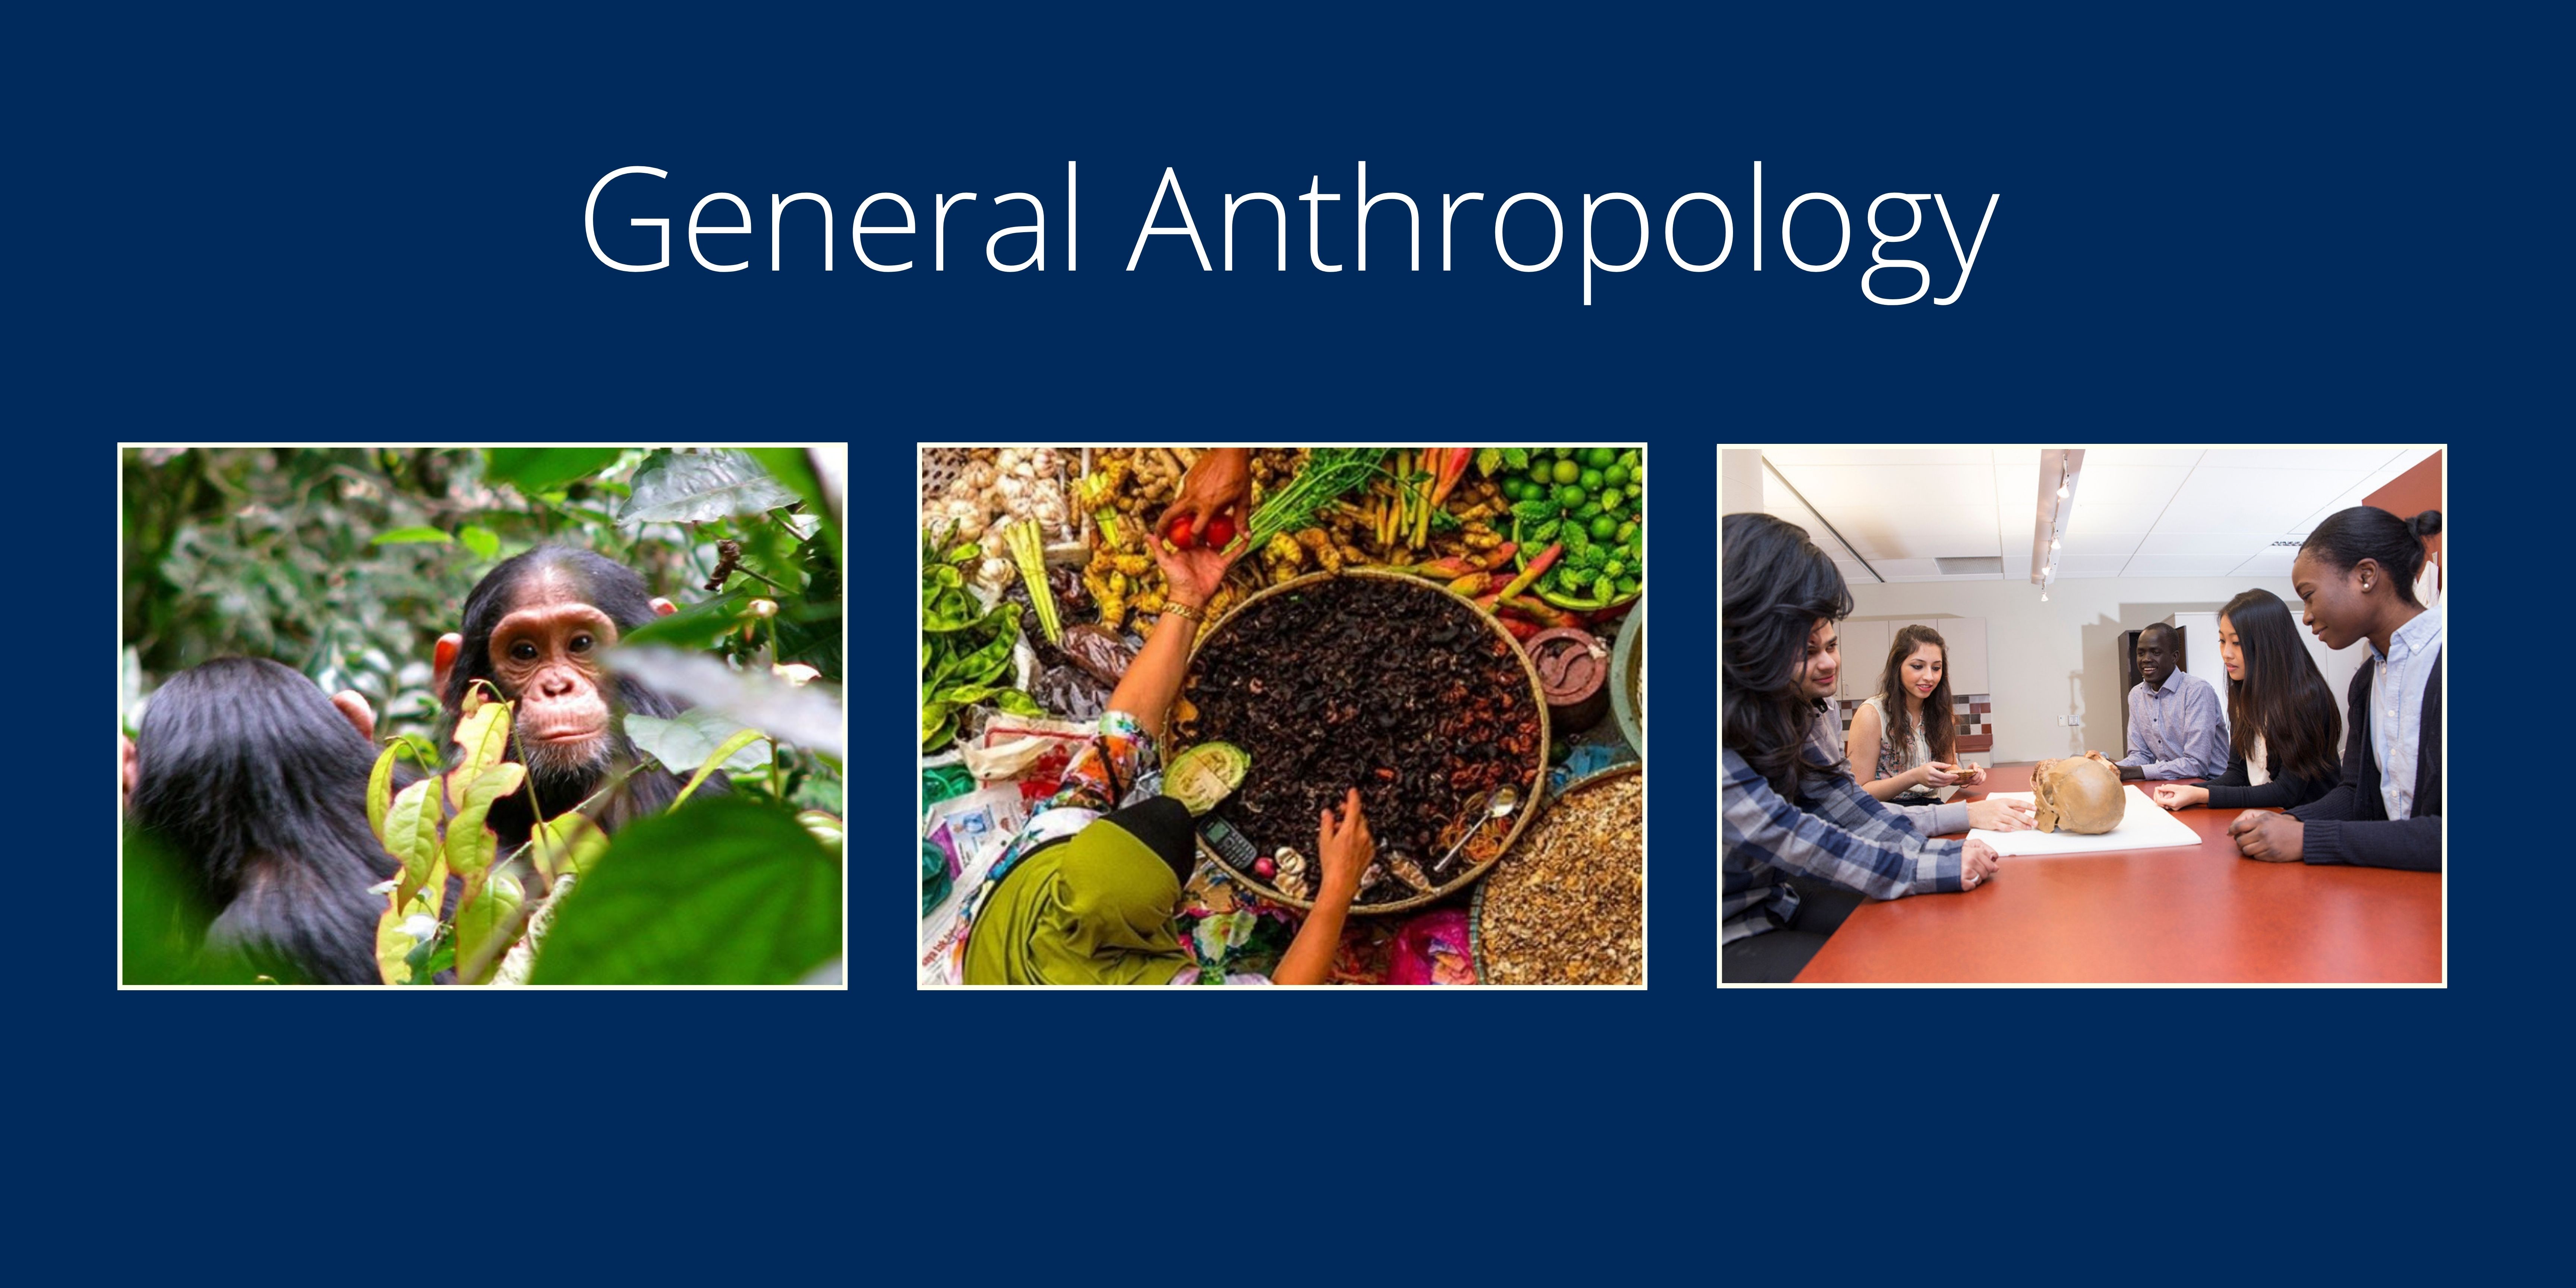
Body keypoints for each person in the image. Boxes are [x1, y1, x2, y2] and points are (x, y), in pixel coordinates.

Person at [960, 532, 1368, 984]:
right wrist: (1336, 892)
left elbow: (1125, 727)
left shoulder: (1050, 841)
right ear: (1167, 911)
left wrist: (1186, 599)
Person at [1721, 513, 2002, 984]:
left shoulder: (1798, 704)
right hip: (1730, 926)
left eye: (1830, 644)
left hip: (1777, 895)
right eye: (1807, 651)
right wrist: (1929, 862)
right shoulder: (1868, 713)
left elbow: (1840, 800)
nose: (1828, 663)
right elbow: (1786, 830)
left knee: (1925, 939)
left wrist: (1944, 845)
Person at [2229, 508, 2441, 870]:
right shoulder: (2367, 682)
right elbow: (2358, 795)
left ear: (2366, 575)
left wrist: (2308, 838)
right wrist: (2290, 821)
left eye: (2310, 595)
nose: (2307, 616)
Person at [2150, 588, 2342, 812]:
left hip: (2307, 825)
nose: (2226, 654)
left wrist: (2204, 794)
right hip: (2269, 817)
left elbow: (2286, 792)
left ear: (2269, 644)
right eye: (2222, 641)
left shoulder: (2305, 698)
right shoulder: (2244, 696)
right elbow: (2238, 774)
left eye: (2237, 643)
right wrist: (2188, 791)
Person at [1848, 624, 1983, 803]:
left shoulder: (1942, 712)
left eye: (1936, 668)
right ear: (1898, 667)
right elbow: (1859, 793)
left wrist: (1963, 776)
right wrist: (1914, 777)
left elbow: (1948, 766)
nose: (1929, 677)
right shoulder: (1871, 715)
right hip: (1885, 812)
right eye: (1918, 666)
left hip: (1930, 807)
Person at [2097, 622, 2227, 780]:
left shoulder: (2197, 691)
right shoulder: (2136, 696)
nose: (2146, 659)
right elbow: (2141, 755)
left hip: (2213, 785)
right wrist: (2109, 767)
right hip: (2175, 783)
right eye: (2141, 653)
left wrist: (2129, 772)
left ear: (2174, 657)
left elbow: (2196, 765)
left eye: (2155, 652)